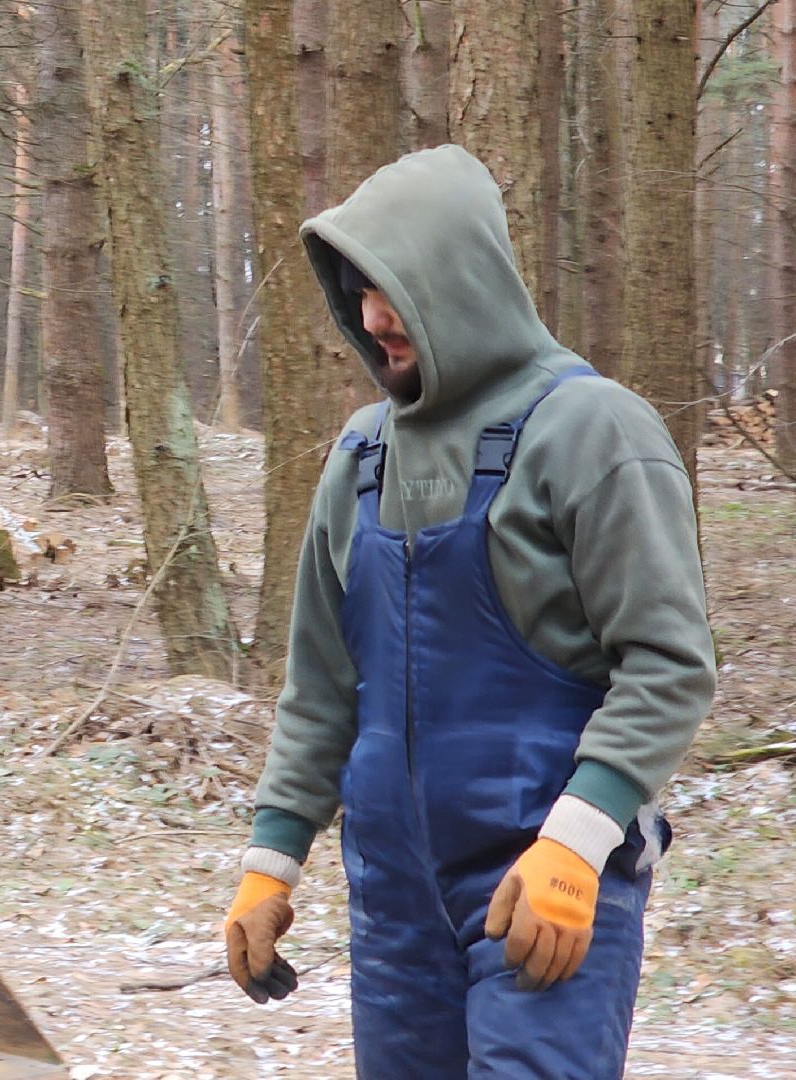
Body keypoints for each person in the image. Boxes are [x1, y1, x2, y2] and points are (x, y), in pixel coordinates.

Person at [221, 144, 716, 1077]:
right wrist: (271, 860)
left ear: (458, 279)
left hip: (540, 888)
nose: (372, 317)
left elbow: (668, 663)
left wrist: (578, 841)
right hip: (396, 910)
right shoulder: (360, 455)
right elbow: (321, 689)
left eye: (393, 288)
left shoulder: (592, 431)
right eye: (356, 289)